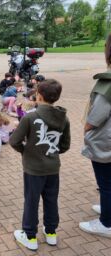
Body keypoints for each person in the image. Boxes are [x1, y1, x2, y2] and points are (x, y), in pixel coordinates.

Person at [9, 79, 71, 251]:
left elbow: (14, 140)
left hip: (33, 169)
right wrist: (51, 153)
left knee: (31, 200)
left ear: (39, 95)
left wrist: (25, 151)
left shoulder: (30, 117)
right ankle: (51, 233)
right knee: (51, 199)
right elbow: (65, 145)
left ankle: (29, 236)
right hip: (53, 168)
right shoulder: (64, 119)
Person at [79, 34, 111, 238]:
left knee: (106, 182)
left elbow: (97, 115)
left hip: (106, 141)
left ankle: (106, 224)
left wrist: (87, 128)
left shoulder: (107, 83)